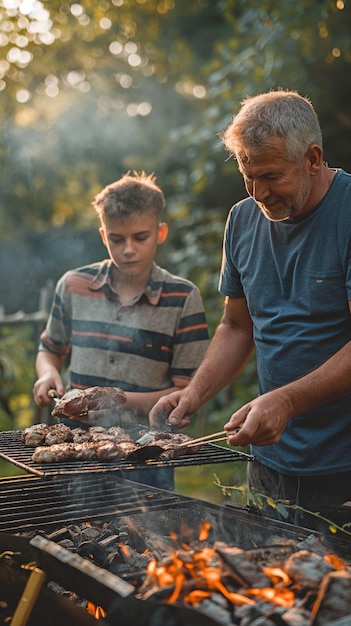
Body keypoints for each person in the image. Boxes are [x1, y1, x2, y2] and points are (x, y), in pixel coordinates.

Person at [149, 89, 351, 528]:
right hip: (269, 466)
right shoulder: (241, 219)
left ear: (313, 159)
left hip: (343, 466)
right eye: (247, 176)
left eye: (271, 176)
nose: (259, 193)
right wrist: (195, 393)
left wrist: (286, 402)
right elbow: (237, 327)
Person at [33, 171, 209, 490]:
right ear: (103, 236)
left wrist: (113, 401)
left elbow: (187, 391)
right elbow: (50, 349)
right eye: (117, 239)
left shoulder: (183, 298)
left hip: (147, 452)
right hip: (75, 449)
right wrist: (47, 374)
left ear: (160, 232)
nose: (128, 249)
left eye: (140, 237)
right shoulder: (73, 285)